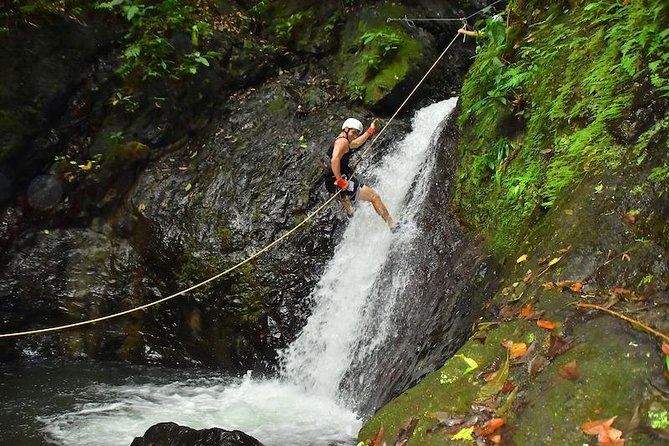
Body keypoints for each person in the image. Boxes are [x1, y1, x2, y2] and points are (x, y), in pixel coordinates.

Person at [324, 117, 395, 230]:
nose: (355, 135)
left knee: (349, 199)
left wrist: (370, 131)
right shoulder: (342, 142)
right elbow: (334, 160)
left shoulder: (342, 140)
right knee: (374, 197)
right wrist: (340, 180)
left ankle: (350, 212)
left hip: (333, 181)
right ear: (346, 129)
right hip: (338, 180)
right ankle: (393, 226)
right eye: (353, 132)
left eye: (357, 133)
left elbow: (356, 143)